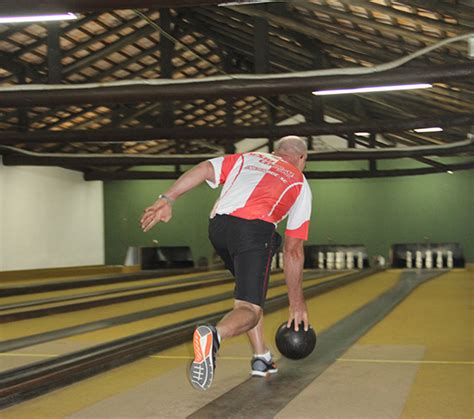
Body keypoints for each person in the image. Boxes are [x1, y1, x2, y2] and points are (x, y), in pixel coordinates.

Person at [140, 135, 312, 391]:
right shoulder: (300, 182)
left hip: (219, 227)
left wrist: (168, 198)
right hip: (254, 231)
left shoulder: (248, 158)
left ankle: (261, 358)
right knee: (250, 311)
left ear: (276, 150)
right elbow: (293, 250)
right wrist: (297, 304)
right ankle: (214, 337)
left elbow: (205, 168)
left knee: (247, 296)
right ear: (302, 158)